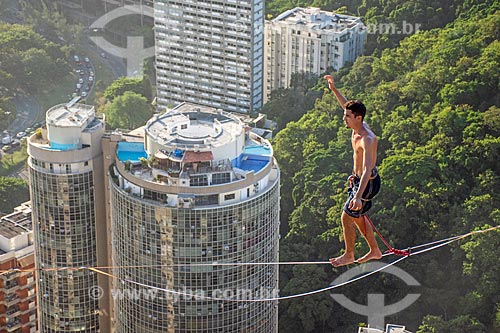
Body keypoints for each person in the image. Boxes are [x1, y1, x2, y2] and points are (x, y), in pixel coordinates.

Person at [324, 75, 382, 267]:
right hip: (358, 180)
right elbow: (345, 105)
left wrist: (357, 195)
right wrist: (334, 89)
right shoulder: (355, 127)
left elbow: (367, 169)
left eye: (348, 116)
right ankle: (374, 250)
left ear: (359, 118)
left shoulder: (368, 139)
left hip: (367, 182)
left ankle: (349, 254)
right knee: (358, 217)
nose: (344, 118)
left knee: (346, 216)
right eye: (345, 115)